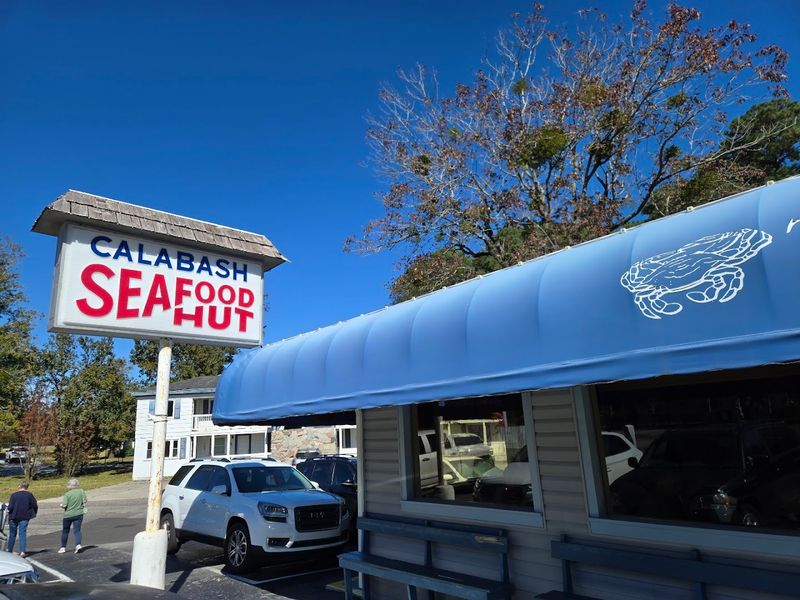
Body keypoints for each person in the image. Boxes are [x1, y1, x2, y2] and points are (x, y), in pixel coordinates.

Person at [6, 480, 38, 558]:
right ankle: (22, 551)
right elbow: (34, 505)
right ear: (27, 487)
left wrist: (8, 510)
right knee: (22, 533)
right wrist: (34, 513)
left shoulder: (14, 495)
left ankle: (9, 550)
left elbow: (10, 507)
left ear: (19, 486)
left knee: (12, 534)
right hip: (25, 517)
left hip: (14, 516)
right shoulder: (29, 495)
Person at [59, 478, 87, 554]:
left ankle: (63, 547)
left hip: (68, 515)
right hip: (79, 514)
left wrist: (61, 505)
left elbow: (64, 505)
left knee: (65, 531)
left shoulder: (67, 494)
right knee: (77, 530)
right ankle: (78, 545)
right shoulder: (81, 491)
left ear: (70, 485)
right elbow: (85, 501)